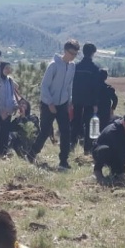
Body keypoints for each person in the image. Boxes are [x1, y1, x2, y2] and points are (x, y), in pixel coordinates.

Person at [27, 39, 79, 170]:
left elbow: (69, 86)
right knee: (45, 132)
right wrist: (49, 103)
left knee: (66, 132)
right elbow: (44, 86)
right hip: (48, 104)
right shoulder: (54, 65)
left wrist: (69, 101)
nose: (73, 56)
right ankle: (32, 154)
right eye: (71, 53)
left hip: (63, 104)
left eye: (75, 54)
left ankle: (63, 161)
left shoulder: (72, 66)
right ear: (65, 51)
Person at [91, 111, 125, 183]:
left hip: (117, 155)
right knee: (104, 150)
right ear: (124, 123)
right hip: (101, 151)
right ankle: (97, 171)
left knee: (122, 177)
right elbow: (124, 156)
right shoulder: (114, 132)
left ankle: (116, 173)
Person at [70, 43, 101, 155]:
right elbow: (96, 87)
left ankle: (72, 145)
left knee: (76, 122)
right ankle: (87, 149)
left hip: (77, 99)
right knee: (88, 125)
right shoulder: (94, 69)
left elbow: (72, 84)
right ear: (93, 53)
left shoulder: (76, 67)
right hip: (89, 101)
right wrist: (96, 103)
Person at [0, 62, 19, 157]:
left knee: (5, 133)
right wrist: (1, 110)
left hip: (8, 111)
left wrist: (15, 106)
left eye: (9, 68)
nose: (8, 70)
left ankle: (3, 153)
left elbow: (12, 95)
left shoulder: (10, 81)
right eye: (6, 68)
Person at [94, 69, 118, 135]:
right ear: (106, 77)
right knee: (103, 129)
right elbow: (115, 99)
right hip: (105, 111)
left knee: (93, 130)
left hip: (94, 110)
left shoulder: (93, 87)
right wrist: (112, 109)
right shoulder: (108, 88)